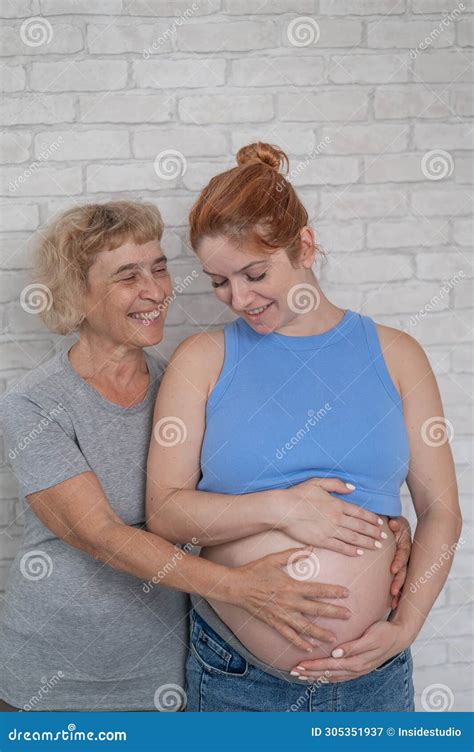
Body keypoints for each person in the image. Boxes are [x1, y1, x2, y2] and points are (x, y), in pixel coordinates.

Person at [0, 201, 380, 712]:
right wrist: (241, 588)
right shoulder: (35, 401)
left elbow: (250, 484)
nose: (156, 291)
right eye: (127, 276)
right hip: (56, 679)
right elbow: (102, 537)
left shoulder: (184, 384)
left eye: (159, 268)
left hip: (171, 674)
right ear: (77, 294)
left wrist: (375, 527)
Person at [146, 143, 462, 712]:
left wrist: (406, 627)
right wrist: (283, 507)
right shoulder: (202, 358)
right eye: (219, 281)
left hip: (374, 679)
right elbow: (165, 512)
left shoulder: (396, 354)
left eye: (255, 273)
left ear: (306, 247)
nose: (238, 298)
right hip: (236, 678)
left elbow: (441, 512)